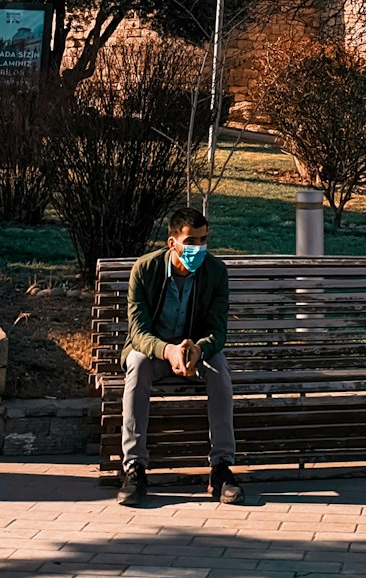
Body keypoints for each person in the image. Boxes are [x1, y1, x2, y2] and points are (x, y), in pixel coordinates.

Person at [118, 207, 244, 507]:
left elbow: (218, 330)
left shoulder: (215, 271)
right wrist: (168, 350)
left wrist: (198, 349)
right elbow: (138, 333)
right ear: (172, 242)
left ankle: (221, 468)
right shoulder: (145, 270)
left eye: (203, 240)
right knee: (136, 364)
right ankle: (134, 468)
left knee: (219, 368)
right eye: (191, 241)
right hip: (156, 353)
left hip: (195, 353)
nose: (198, 248)